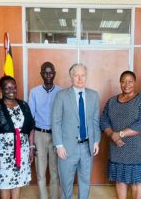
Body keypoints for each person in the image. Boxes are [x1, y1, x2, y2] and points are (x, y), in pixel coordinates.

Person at [100, 71, 141, 199]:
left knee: (137, 182)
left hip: (138, 150)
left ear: (135, 82)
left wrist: (119, 134)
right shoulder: (112, 101)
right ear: (120, 83)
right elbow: (103, 120)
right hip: (117, 148)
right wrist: (112, 134)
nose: (126, 84)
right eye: (123, 81)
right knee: (120, 180)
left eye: (130, 81)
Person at [52, 63, 100, 199]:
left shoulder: (94, 95)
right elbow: (56, 122)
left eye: (83, 75)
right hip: (66, 148)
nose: (80, 78)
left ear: (86, 77)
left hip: (87, 147)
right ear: (71, 78)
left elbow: (95, 121)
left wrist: (96, 141)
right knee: (66, 183)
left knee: (85, 182)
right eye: (76, 75)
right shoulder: (61, 96)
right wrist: (59, 145)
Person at [0, 76, 35, 199]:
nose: (11, 90)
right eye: (7, 88)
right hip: (3, 154)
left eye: (13, 87)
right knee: (5, 185)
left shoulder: (23, 104)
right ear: (1, 90)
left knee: (17, 184)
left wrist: (31, 148)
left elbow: (31, 127)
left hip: (21, 151)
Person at [28, 62, 61, 199]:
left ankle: (54, 197)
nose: (48, 75)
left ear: (54, 73)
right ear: (41, 74)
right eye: (45, 72)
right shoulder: (34, 92)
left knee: (55, 170)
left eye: (50, 72)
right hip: (39, 134)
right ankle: (43, 197)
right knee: (40, 171)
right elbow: (30, 118)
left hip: (56, 134)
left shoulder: (61, 91)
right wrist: (31, 142)